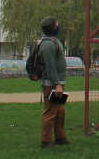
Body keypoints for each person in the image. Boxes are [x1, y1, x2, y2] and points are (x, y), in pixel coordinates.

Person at [38, 16, 69, 149]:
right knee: (50, 112)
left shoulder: (53, 42)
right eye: (57, 24)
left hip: (58, 83)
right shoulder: (48, 45)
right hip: (52, 84)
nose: (58, 25)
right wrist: (57, 84)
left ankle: (60, 138)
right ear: (54, 27)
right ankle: (45, 141)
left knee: (60, 111)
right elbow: (50, 67)